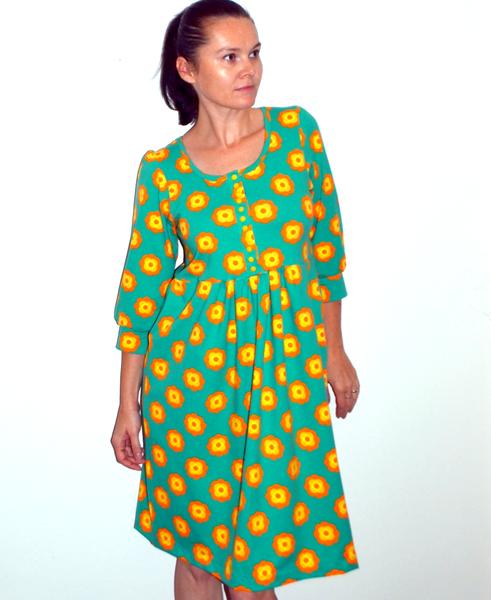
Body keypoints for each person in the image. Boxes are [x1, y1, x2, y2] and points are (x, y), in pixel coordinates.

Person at [110, 1, 361, 598]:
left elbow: (326, 251)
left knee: (254, 564)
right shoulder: (163, 171)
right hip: (191, 379)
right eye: (229, 57)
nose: (248, 68)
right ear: (187, 69)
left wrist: (335, 350)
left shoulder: (297, 133)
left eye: (254, 53)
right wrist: (127, 404)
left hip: (281, 373)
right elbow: (142, 292)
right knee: (198, 554)